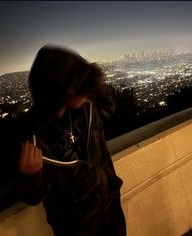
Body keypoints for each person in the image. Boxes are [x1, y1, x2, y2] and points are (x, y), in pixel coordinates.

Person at [14, 45, 126, 236]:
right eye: (80, 86)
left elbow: (109, 105)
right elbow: (34, 196)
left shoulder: (86, 109)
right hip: (76, 228)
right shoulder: (34, 137)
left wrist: (91, 80)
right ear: (59, 89)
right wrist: (30, 175)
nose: (86, 92)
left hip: (111, 208)